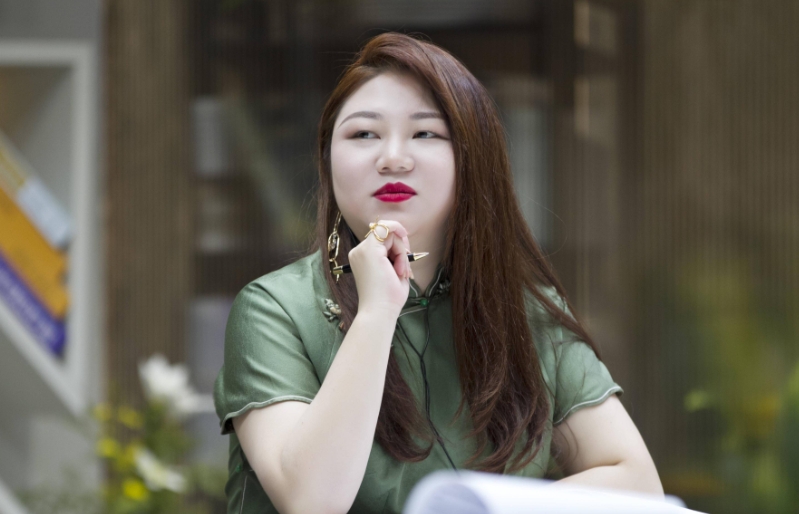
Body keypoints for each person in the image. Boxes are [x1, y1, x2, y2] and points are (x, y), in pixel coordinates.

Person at [213, 32, 663, 514]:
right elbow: (312, 501)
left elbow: (636, 481)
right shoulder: (274, 309)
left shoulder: (526, 310)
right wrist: (376, 314)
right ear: (327, 158)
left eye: (425, 133)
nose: (393, 158)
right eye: (363, 134)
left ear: (472, 157)